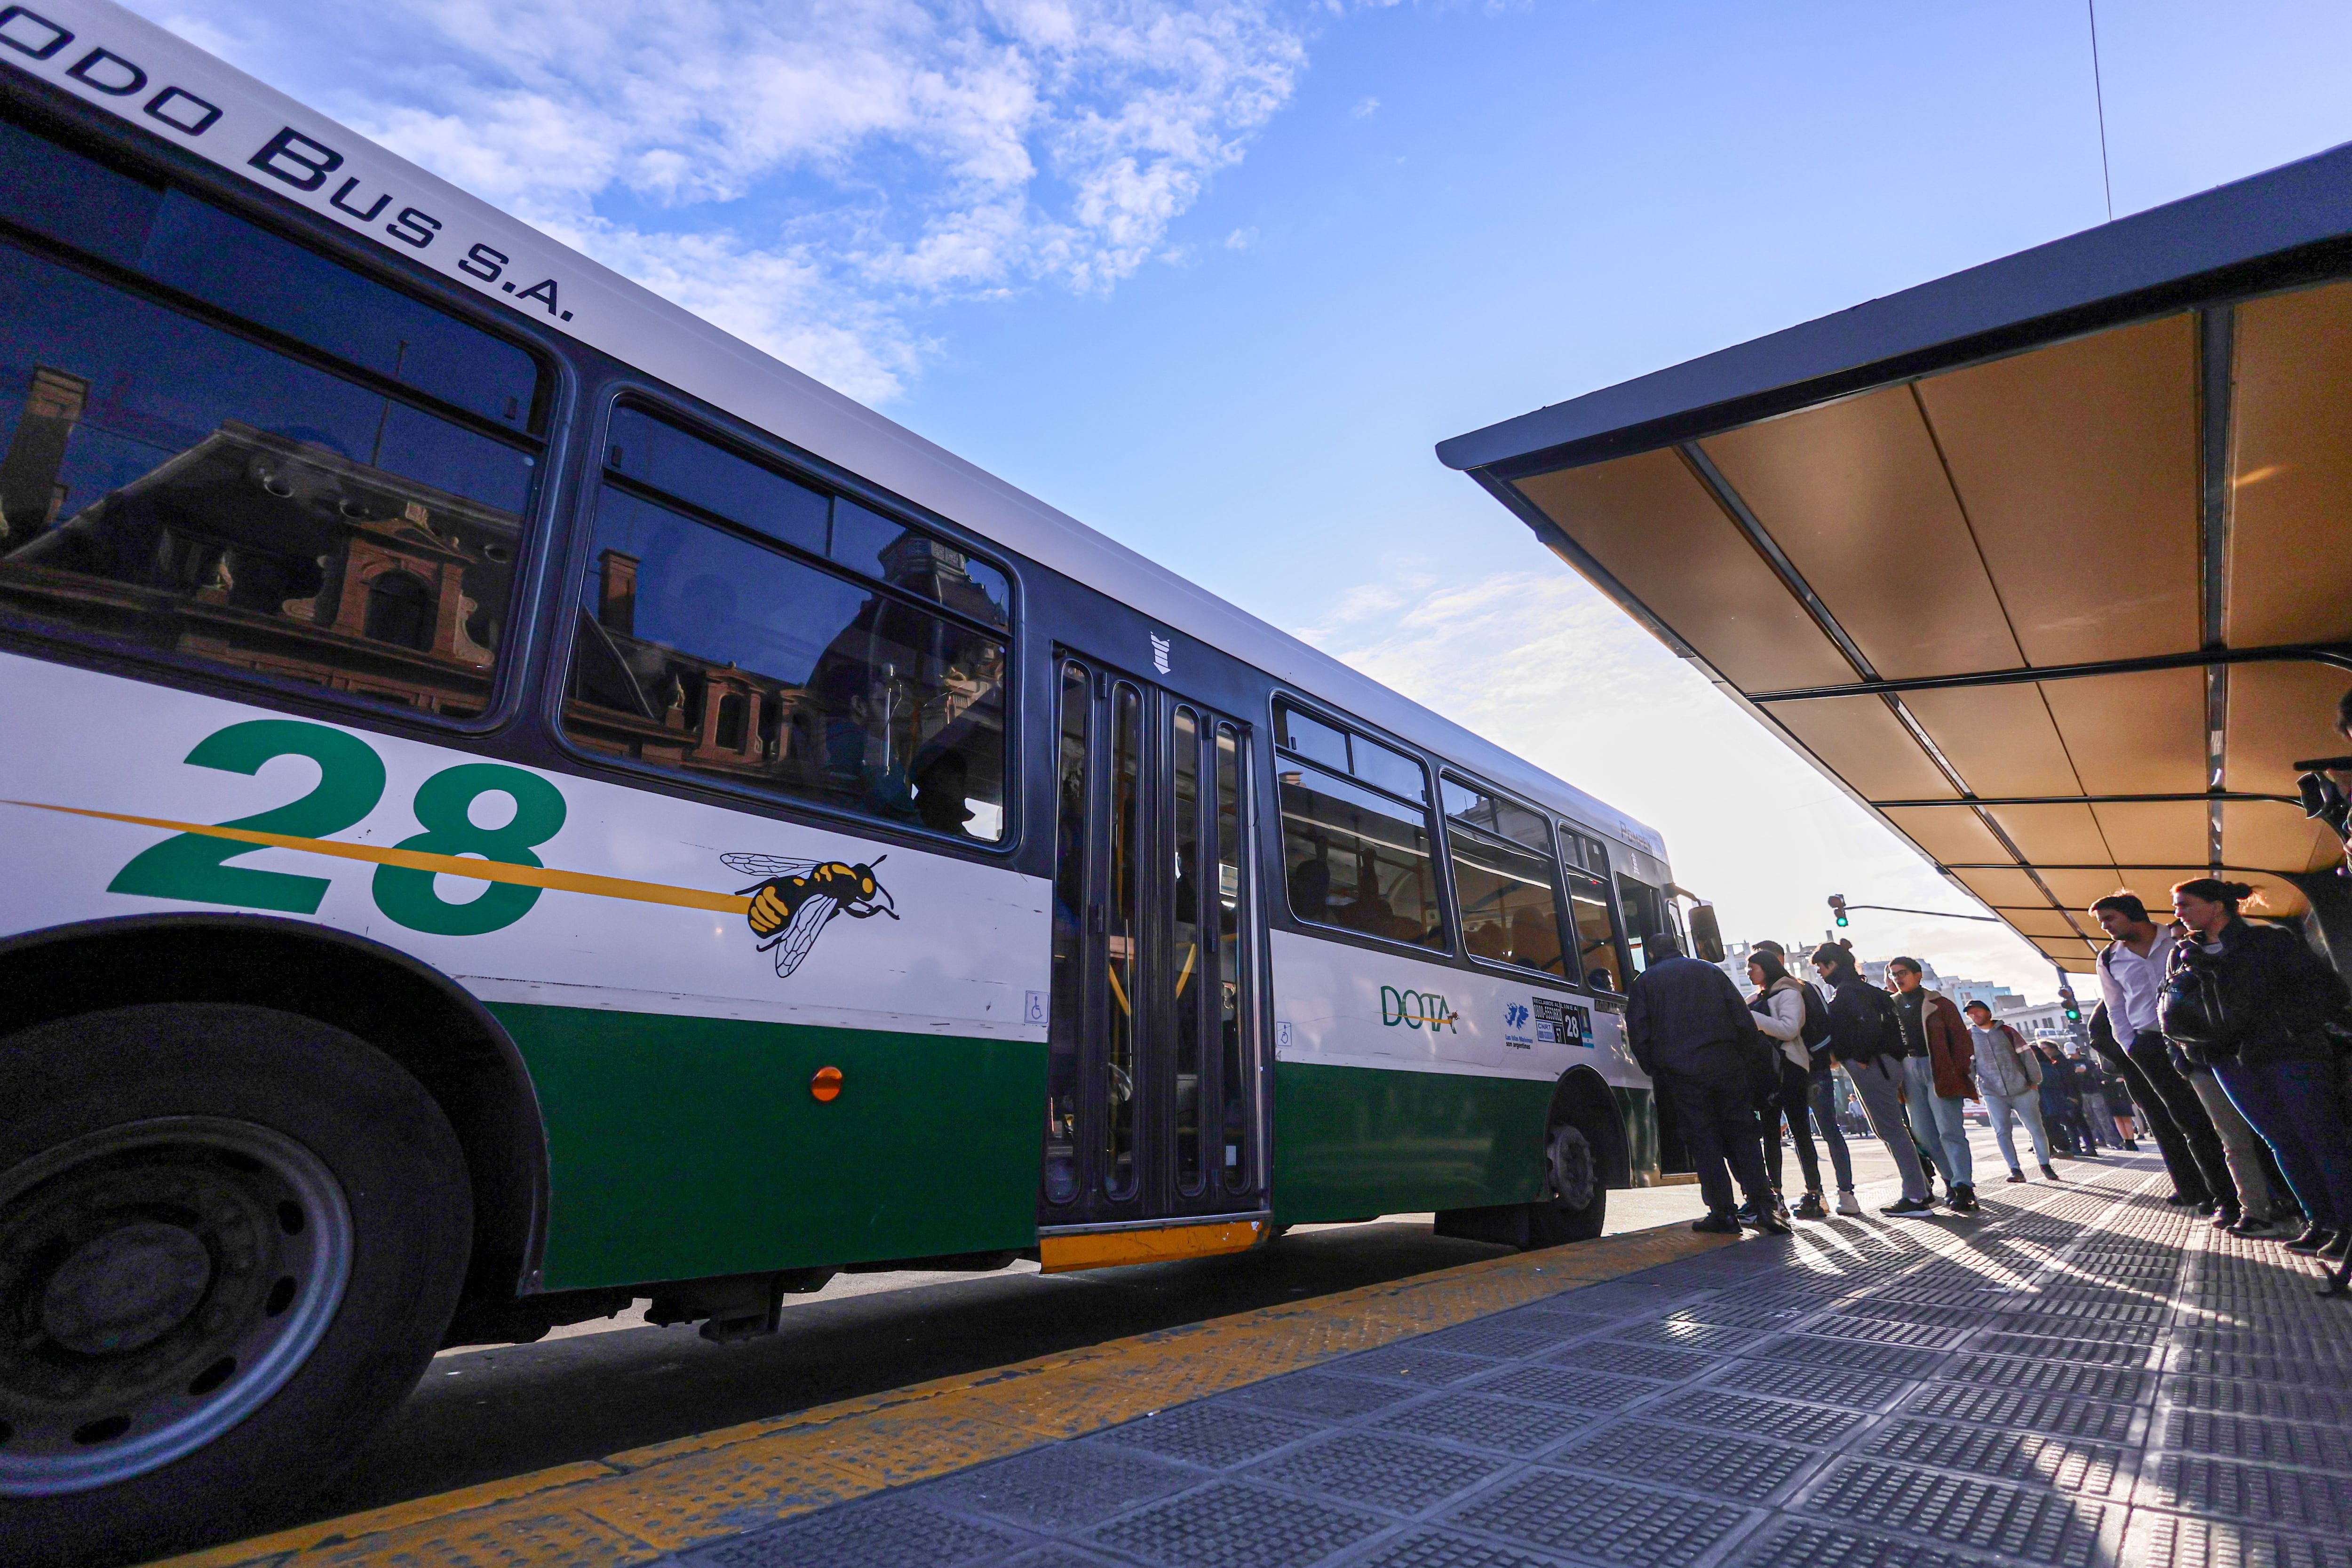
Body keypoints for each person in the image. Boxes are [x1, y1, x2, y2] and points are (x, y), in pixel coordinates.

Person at [2164, 877, 2352, 1268]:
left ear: (2217, 906)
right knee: (2280, 1140)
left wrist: (2284, 1025)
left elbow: (2324, 990)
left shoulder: (2269, 940)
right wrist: (2187, 1054)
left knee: (2320, 1135)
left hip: (2289, 1052)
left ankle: (2348, 1226)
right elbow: (2171, 1007)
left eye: (2185, 903)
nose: (2178, 912)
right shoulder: (2184, 954)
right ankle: (2320, 1219)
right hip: (2229, 1061)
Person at [2091, 894, 2248, 1222]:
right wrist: (2131, 1046)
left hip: (2200, 1039)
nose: (2104, 927)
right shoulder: (2108, 959)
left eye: (2109, 918)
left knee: (2230, 1115)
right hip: (2149, 1045)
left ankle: (2260, 1195)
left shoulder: (2179, 939)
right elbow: (2115, 1007)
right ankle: (2221, 1196)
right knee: (2188, 1122)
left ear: (2133, 914)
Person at [1626, 929, 1789, 1236]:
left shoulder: (1645, 983)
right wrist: (1746, 1063)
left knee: (1705, 1141)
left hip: (1682, 1074)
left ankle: (1723, 1212)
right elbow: (1743, 1020)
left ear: (1651, 955)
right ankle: (1765, 1208)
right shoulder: (1710, 970)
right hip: (1726, 1066)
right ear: (1677, 948)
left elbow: (1639, 1033)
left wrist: (1658, 1070)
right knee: (1743, 1135)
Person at [1809, 940, 1936, 1216]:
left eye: (1821, 965)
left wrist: (1862, 1058)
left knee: (1891, 1129)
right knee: (1889, 1129)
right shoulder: (1861, 989)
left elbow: (1868, 1025)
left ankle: (1916, 1197)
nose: (1819, 971)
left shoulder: (1849, 992)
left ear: (1833, 964)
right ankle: (1920, 1190)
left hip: (1874, 1065)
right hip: (1879, 1064)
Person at [1756, 939, 1860, 1216]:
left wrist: (1817, 1057)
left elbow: (1820, 1026)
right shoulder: (1788, 991)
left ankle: (1836, 1193)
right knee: (1819, 1131)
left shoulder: (1798, 989)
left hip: (1806, 1069)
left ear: (1776, 960)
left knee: (1818, 1131)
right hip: (1806, 1068)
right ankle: (1839, 1194)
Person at [1885, 958, 1980, 1213]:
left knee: (1950, 1130)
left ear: (1918, 975)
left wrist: (1959, 1072)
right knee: (1924, 1134)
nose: (1898, 978)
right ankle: (1951, 1179)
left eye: (1902, 973)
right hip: (1908, 1068)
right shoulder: (1891, 1006)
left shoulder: (1940, 1004)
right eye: (1894, 975)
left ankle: (1963, 1187)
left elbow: (1961, 1041)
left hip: (1939, 1069)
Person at [1748, 951, 1828, 1220]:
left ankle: (1814, 1194)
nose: (1749, 973)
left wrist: (1753, 1020)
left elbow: (1790, 1029)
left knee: (1800, 1131)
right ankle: (1775, 1196)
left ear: (1767, 969)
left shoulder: (1789, 992)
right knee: (1769, 1134)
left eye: (1753, 968)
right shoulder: (1756, 998)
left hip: (1791, 1067)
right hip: (1766, 1070)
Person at [1963, 999, 2058, 1182]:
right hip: (1992, 1093)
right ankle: (2015, 1170)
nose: (1975, 1016)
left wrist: (2034, 1082)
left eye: (1978, 1012)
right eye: (1971, 1014)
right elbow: (1970, 1066)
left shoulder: (2008, 1032)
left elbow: (2027, 1056)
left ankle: (2045, 1165)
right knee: (2002, 1131)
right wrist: (1971, 1091)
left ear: (1988, 1013)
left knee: (2036, 1129)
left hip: (2022, 1089)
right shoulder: (1968, 1037)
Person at [2034, 1040, 2088, 1154]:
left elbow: (2068, 1080)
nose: (2044, 1051)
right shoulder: (2050, 1062)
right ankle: (2074, 1146)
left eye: (2045, 1048)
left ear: (2053, 1048)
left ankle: (2084, 1147)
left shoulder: (2061, 1062)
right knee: (2068, 1123)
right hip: (2061, 1097)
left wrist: (2071, 1096)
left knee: (2076, 1122)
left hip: (2067, 1096)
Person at [2069, 1049, 2114, 1149]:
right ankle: (2095, 1140)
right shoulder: (2069, 1063)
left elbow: (2097, 1074)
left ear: (2078, 1051)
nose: (2072, 1055)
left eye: (2073, 1053)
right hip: (2081, 1093)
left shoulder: (2088, 1061)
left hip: (2094, 1091)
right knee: (2088, 1119)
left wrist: (2086, 1072)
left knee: (2102, 1117)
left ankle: (2112, 1141)